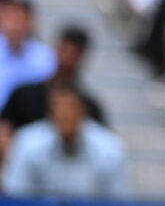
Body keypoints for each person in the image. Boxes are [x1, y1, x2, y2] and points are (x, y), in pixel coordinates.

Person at [1, 83, 130, 197]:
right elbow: (16, 199)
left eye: (71, 110)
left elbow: (118, 201)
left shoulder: (110, 150)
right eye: (60, 111)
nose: (65, 116)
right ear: (50, 114)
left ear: (83, 113)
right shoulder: (26, 144)